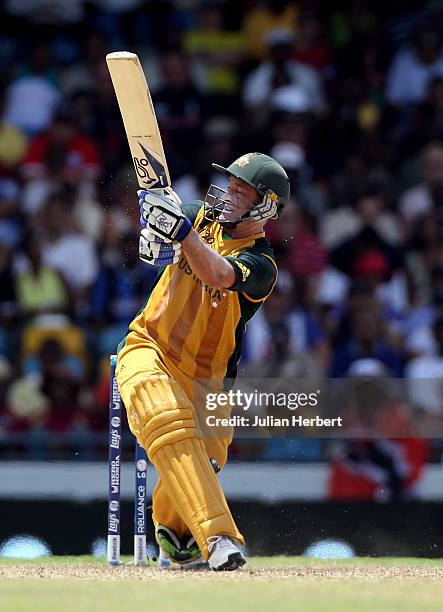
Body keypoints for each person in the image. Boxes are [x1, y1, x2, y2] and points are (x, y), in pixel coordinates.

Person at [116, 152, 289, 570]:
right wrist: (153, 228)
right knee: (166, 417)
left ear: (265, 205)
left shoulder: (262, 264)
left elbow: (216, 273)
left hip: (209, 382)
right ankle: (218, 539)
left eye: (239, 192)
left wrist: (179, 234)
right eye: (228, 187)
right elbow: (169, 224)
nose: (227, 197)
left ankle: (178, 540)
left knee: (204, 455)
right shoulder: (201, 218)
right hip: (149, 347)